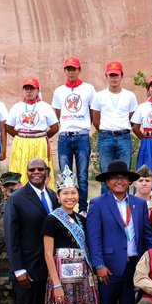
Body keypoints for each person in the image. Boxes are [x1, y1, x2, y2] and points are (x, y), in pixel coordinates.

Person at [87, 160, 152, 304]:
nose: (119, 181)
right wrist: (98, 265)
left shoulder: (139, 204)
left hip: (134, 269)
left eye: (123, 177)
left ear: (129, 181)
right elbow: (93, 238)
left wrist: (151, 263)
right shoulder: (98, 203)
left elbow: (147, 236)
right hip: (108, 270)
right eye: (114, 178)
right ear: (107, 182)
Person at [40, 179, 104, 304]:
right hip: (62, 278)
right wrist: (56, 284)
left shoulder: (81, 219)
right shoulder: (51, 219)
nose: (70, 197)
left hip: (81, 278)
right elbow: (48, 254)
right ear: (58, 196)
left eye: (73, 193)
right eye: (65, 193)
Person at [3, 157, 59, 304]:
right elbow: (11, 236)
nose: (36, 172)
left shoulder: (53, 196)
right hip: (27, 270)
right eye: (31, 169)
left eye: (40, 169)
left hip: (49, 269)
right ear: (26, 173)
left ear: (47, 171)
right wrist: (18, 269)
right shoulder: (17, 199)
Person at [50, 56, 96, 201]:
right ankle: (65, 206)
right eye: (68, 69)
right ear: (65, 71)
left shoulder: (89, 89)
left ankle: (82, 207)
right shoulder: (59, 91)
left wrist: (84, 125)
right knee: (65, 176)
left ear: (79, 70)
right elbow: (58, 113)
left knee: (82, 175)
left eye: (74, 69)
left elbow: (92, 110)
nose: (71, 72)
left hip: (82, 135)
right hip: (64, 136)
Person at [6, 78, 59, 187]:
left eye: (32, 89)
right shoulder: (17, 107)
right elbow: (8, 127)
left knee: (40, 170)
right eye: (26, 89)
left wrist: (42, 138)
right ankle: (19, 192)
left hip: (40, 143)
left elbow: (55, 127)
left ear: (38, 90)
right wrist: (21, 138)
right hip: (22, 143)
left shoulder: (45, 107)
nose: (29, 91)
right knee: (20, 169)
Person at [92, 60, 140, 170]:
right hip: (105, 137)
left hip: (124, 137)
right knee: (106, 171)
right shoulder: (99, 96)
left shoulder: (130, 96)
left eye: (116, 75)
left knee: (124, 171)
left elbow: (132, 118)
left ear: (121, 76)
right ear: (106, 76)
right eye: (111, 75)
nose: (114, 78)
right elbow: (95, 120)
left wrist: (121, 127)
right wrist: (105, 131)